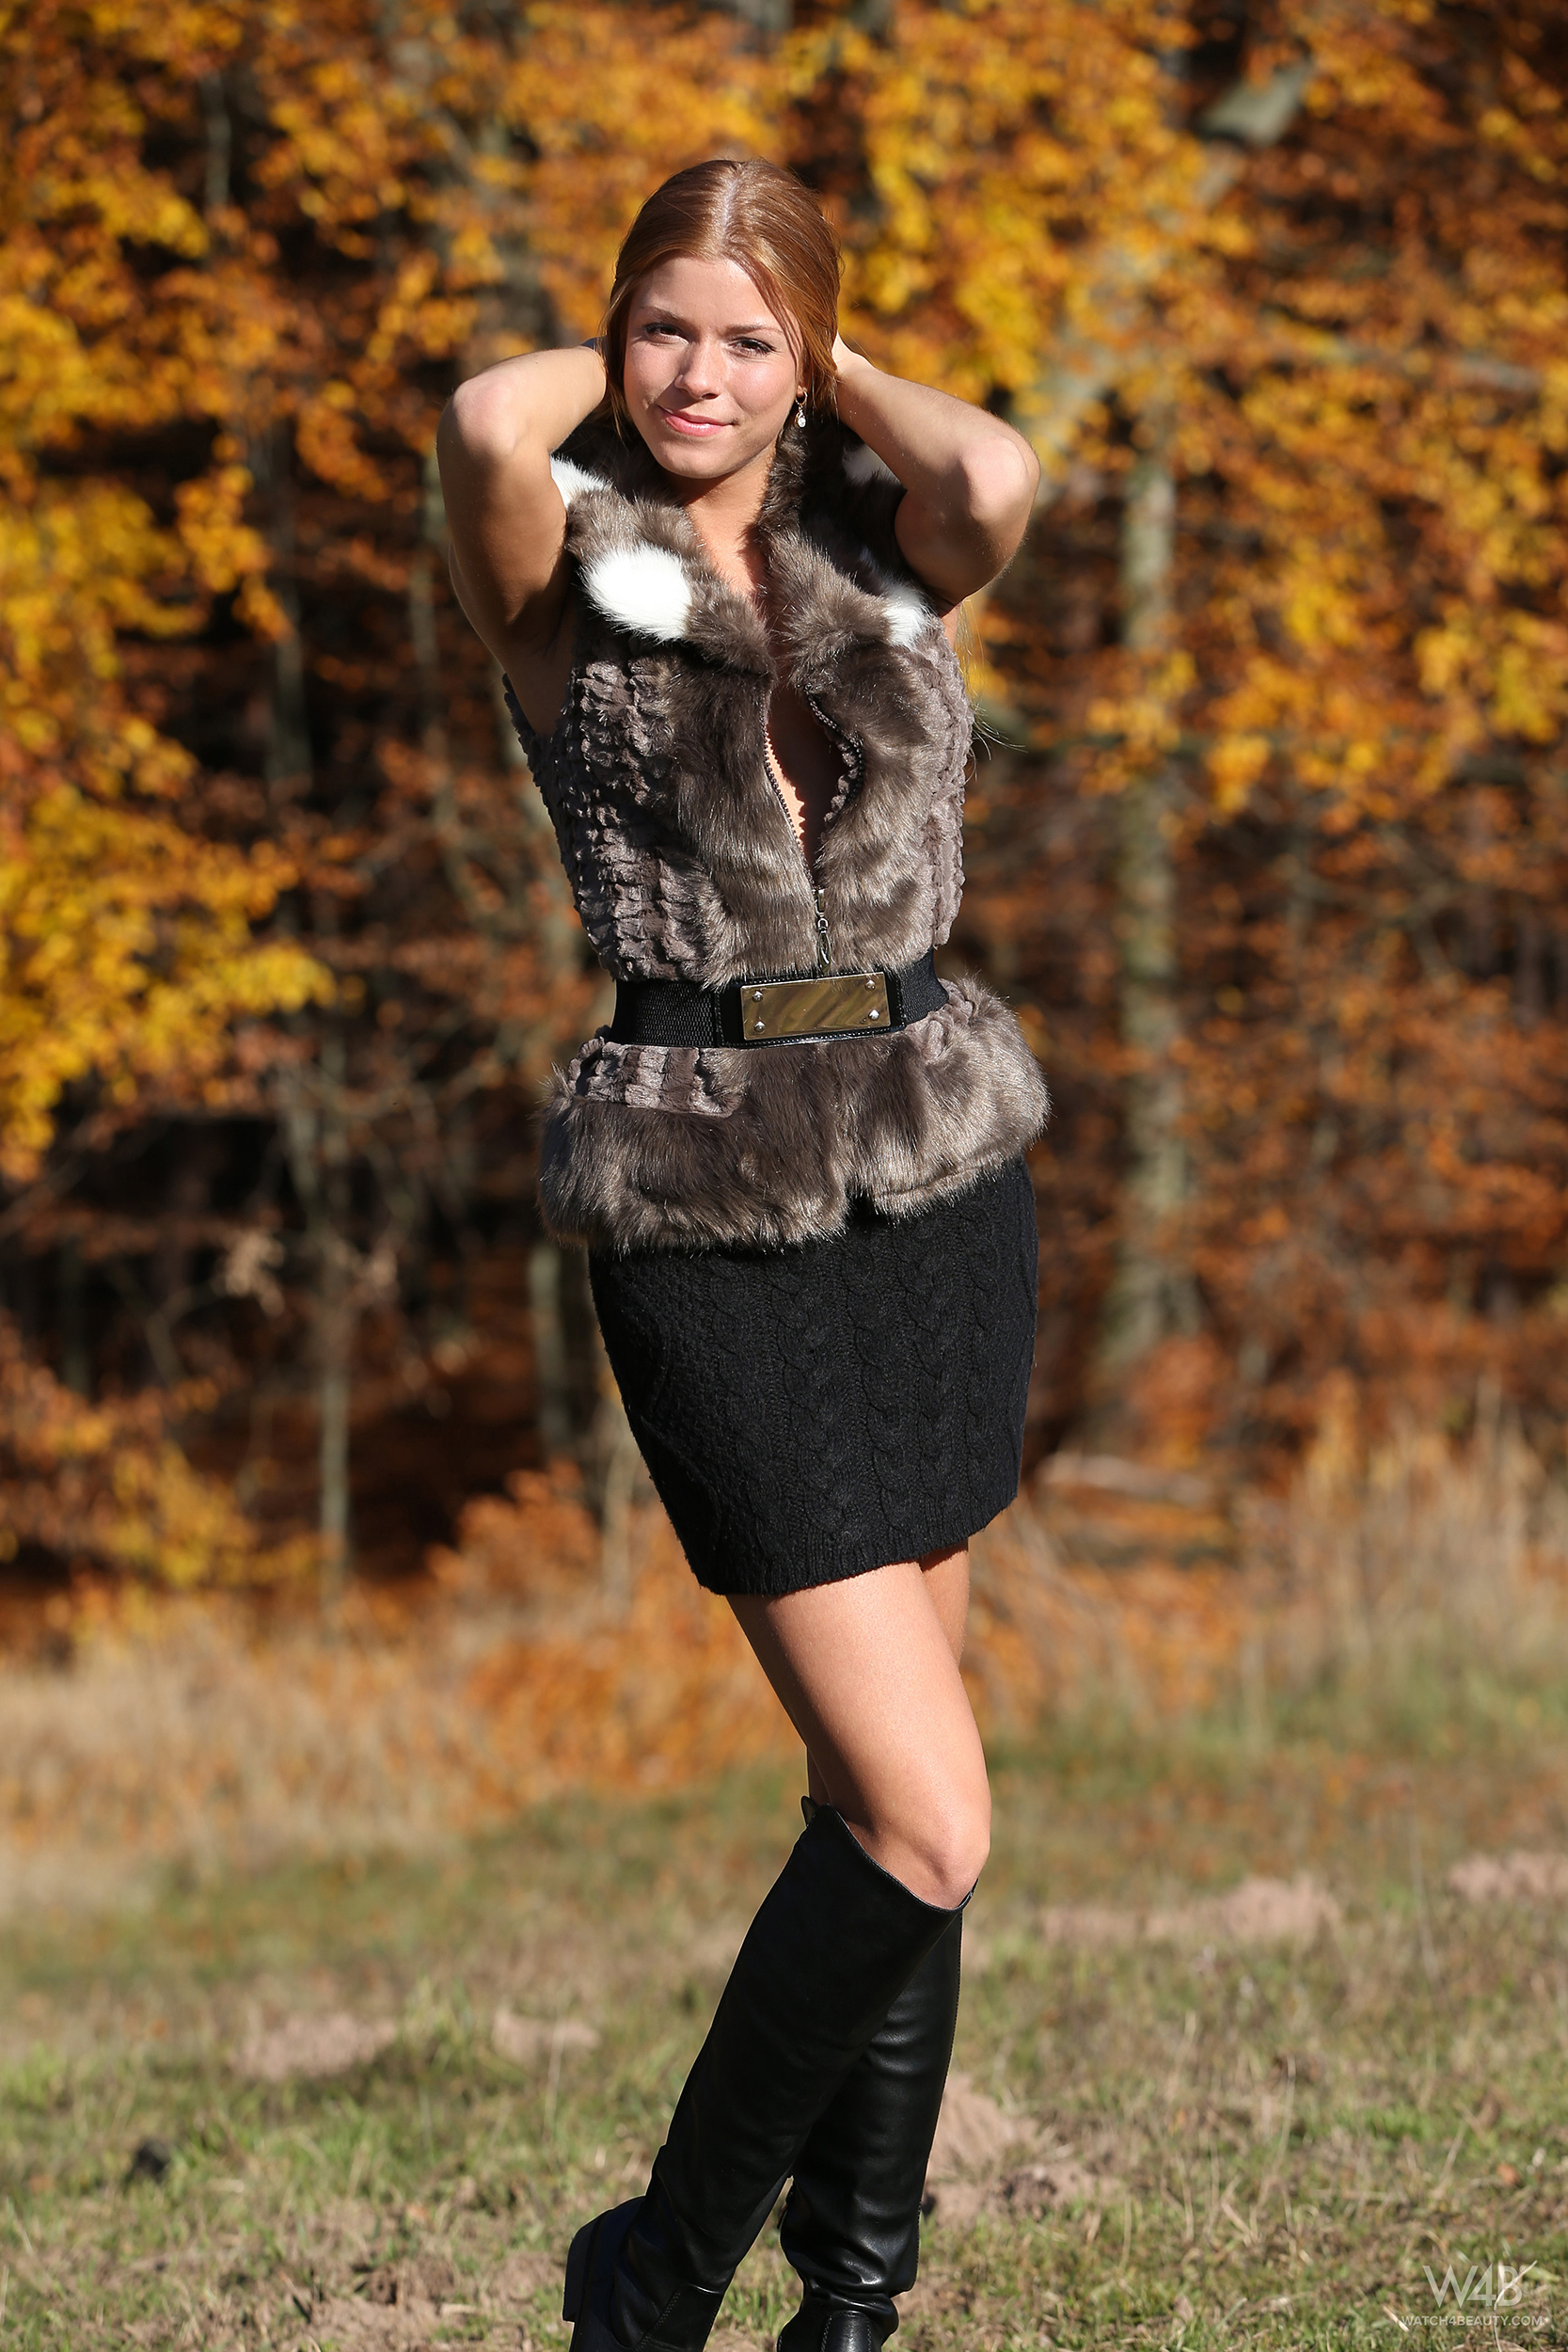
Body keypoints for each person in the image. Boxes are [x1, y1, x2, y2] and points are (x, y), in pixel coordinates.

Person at [437, 157, 1047, 2352]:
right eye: (665, 327)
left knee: (898, 1807)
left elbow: (996, 464)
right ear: (618, 333)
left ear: (809, 361)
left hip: (933, 1176)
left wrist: (823, 348)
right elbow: (497, 427)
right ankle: (650, 2280)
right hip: (703, 1201)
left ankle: (853, 2303)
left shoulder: (878, 556)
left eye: (747, 339)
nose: (701, 373)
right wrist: (647, 363)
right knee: (924, 1809)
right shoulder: (558, 568)